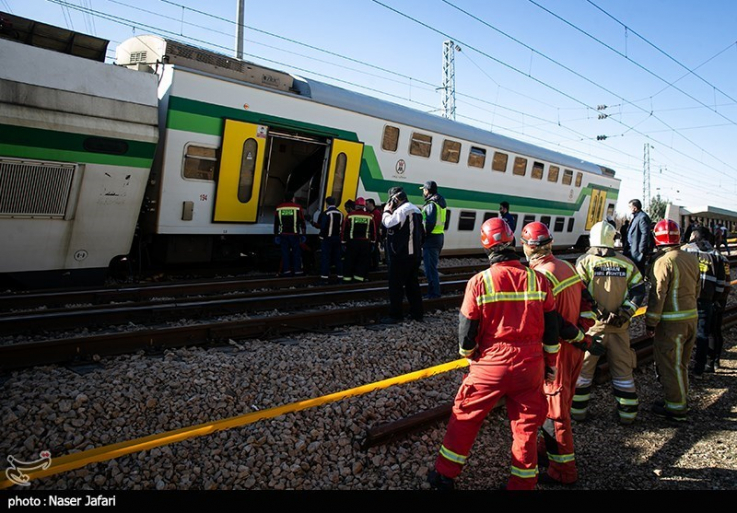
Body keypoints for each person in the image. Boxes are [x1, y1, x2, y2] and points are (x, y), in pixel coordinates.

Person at [427, 218, 559, 491]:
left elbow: (467, 330)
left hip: (490, 365)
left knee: (465, 416)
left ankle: (444, 476)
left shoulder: (480, 282)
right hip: (530, 365)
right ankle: (522, 485)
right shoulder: (538, 279)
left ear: (486, 245)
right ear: (512, 241)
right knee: (525, 427)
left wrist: (469, 355)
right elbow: (551, 329)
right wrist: (550, 364)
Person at [520, 222, 602, 486]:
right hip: (575, 350)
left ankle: (564, 472)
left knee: (556, 414)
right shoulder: (568, 267)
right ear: (550, 243)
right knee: (555, 405)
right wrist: (583, 330)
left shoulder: (538, 276)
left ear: (528, 246)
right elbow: (589, 304)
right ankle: (549, 450)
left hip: (555, 353)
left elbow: (543, 322)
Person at [572, 221, 646, 425]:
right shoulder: (627, 263)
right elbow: (639, 291)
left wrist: (599, 313)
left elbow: (580, 292)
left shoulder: (585, 262)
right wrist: (625, 312)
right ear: (613, 239)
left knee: (583, 373)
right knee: (623, 373)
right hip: (619, 329)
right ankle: (628, 415)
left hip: (592, 330)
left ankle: (578, 413)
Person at [645, 220, 700, 422]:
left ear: (657, 239)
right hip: (691, 318)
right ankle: (679, 399)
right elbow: (697, 290)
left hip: (671, 324)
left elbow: (658, 294)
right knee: (682, 364)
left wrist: (651, 321)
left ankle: (676, 408)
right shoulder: (690, 258)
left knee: (670, 364)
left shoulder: (663, 262)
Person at [681, 226, 723, 379]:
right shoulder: (716, 255)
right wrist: (715, 299)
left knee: (683, 334)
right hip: (706, 300)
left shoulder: (686, 250)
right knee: (703, 334)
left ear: (694, 236)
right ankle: (699, 369)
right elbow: (720, 283)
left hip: (687, 299)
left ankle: (681, 367)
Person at [381, 187, 424, 323]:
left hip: (402, 255)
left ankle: (396, 315)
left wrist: (387, 211)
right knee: (413, 285)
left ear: (395, 199)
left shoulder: (402, 211)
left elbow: (389, 223)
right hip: (415, 254)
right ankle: (417, 314)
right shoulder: (416, 209)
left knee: (396, 286)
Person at [419, 180, 447, 299]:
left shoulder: (431, 204)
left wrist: (423, 236)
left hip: (431, 239)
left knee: (430, 268)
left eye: (424, 190)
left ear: (427, 190)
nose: (423, 192)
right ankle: (433, 292)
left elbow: (429, 223)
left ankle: (434, 294)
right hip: (439, 237)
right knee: (432, 267)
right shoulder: (440, 202)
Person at [342, 197, 375, 283]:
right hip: (365, 243)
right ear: (364, 206)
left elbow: (344, 230)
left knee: (349, 261)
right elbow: (373, 231)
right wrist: (372, 242)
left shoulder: (350, 216)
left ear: (356, 206)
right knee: (362, 262)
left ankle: (347, 279)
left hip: (352, 243)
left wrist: (343, 242)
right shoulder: (370, 217)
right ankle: (358, 280)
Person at [709, 246, 731, 372]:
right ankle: (715, 359)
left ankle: (714, 359)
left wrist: (718, 299)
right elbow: (727, 283)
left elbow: (726, 282)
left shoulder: (720, 259)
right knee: (715, 330)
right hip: (719, 298)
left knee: (713, 330)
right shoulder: (721, 258)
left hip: (716, 299)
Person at [274, 192, 306, 277]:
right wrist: (303, 234)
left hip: (283, 234)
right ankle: (297, 271)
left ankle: (286, 271)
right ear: (293, 198)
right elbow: (302, 221)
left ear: (284, 199)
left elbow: (276, 223)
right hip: (294, 234)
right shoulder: (298, 207)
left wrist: (276, 235)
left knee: (285, 253)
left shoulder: (279, 208)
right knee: (296, 253)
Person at [317, 196, 343, 283]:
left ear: (326, 203)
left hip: (327, 239)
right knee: (338, 258)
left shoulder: (326, 214)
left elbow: (322, 227)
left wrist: (321, 237)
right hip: (337, 239)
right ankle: (340, 277)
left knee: (326, 258)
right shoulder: (340, 214)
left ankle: (324, 278)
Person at [626, 199, 653, 275]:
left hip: (637, 251)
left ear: (635, 208)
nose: (629, 209)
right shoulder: (636, 217)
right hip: (632, 249)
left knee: (638, 270)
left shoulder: (642, 217)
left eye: (630, 207)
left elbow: (645, 234)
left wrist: (641, 249)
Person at [366, 198, 383, 270]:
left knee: (374, 251)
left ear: (371, 204)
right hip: (370, 236)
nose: (365, 206)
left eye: (367, 204)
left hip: (374, 236)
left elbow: (376, 225)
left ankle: (375, 266)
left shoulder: (376, 213)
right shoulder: (370, 213)